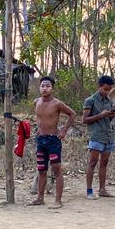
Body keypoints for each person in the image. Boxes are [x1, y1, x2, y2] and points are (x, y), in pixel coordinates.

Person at [29, 76, 76, 209]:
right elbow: (40, 119)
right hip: (41, 140)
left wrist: (64, 130)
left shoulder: (57, 104)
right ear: (39, 87)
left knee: (56, 170)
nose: (45, 88)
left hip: (53, 140)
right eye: (42, 86)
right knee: (42, 170)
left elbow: (72, 114)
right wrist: (38, 130)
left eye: (48, 86)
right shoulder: (36, 101)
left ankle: (58, 200)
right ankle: (40, 198)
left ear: (52, 88)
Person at [82, 75, 115, 199]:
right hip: (96, 135)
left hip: (108, 135)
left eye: (109, 90)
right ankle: (89, 191)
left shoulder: (109, 101)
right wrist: (101, 115)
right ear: (99, 86)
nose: (107, 92)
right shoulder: (90, 100)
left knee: (104, 162)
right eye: (105, 89)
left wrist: (110, 116)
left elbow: (107, 119)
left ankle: (102, 189)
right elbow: (84, 120)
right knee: (92, 162)